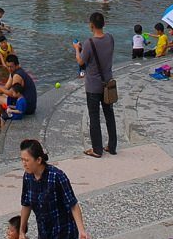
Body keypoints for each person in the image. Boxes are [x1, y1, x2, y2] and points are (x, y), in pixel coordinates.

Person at [17, 139, 87, 239]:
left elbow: (73, 204)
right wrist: (21, 231)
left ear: (38, 160)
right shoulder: (28, 177)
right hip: (44, 232)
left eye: (27, 160)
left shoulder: (56, 176)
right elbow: (26, 204)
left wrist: (81, 230)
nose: (24, 164)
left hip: (64, 232)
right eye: (22, 160)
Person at [75, 12, 117, 158]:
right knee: (109, 114)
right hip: (108, 84)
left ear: (91, 25)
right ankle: (112, 146)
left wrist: (76, 49)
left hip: (93, 86)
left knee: (94, 117)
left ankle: (97, 149)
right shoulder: (110, 38)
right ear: (104, 24)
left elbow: (81, 62)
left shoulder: (89, 43)